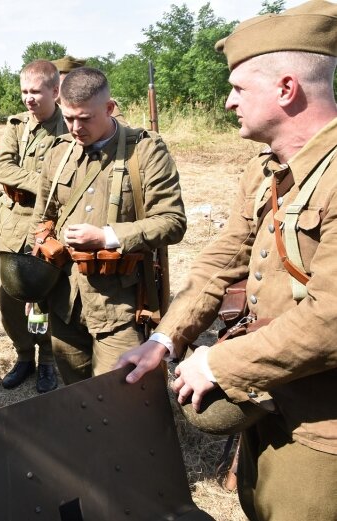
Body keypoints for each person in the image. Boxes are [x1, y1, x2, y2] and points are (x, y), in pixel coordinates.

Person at [116, 2, 337, 519]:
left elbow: (331, 317)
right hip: (270, 396)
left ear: (287, 89)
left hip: (323, 428)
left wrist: (219, 362)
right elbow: (221, 263)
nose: (227, 102)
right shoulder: (266, 172)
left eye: (239, 88)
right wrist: (165, 340)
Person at [29, 67, 185, 384]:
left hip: (121, 306)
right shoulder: (58, 152)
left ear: (109, 108)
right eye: (68, 117)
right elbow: (42, 220)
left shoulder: (145, 152)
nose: (75, 127)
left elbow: (173, 221)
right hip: (65, 302)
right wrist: (34, 283)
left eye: (85, 118)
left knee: (121, 396)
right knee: (76, 392)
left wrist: (105, 237)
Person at [0, 60, 63, 393]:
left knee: (46, 297)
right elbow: (3, 169)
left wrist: (47, 190)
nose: (29, 99)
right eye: (24, 91)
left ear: (55, 90)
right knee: (10, 298)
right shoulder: (17, 126)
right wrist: (45, 183)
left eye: (36, 91)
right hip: (13, 221)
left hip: (49, 225)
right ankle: (24, 356)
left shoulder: (69, 128)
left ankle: (48, 360)